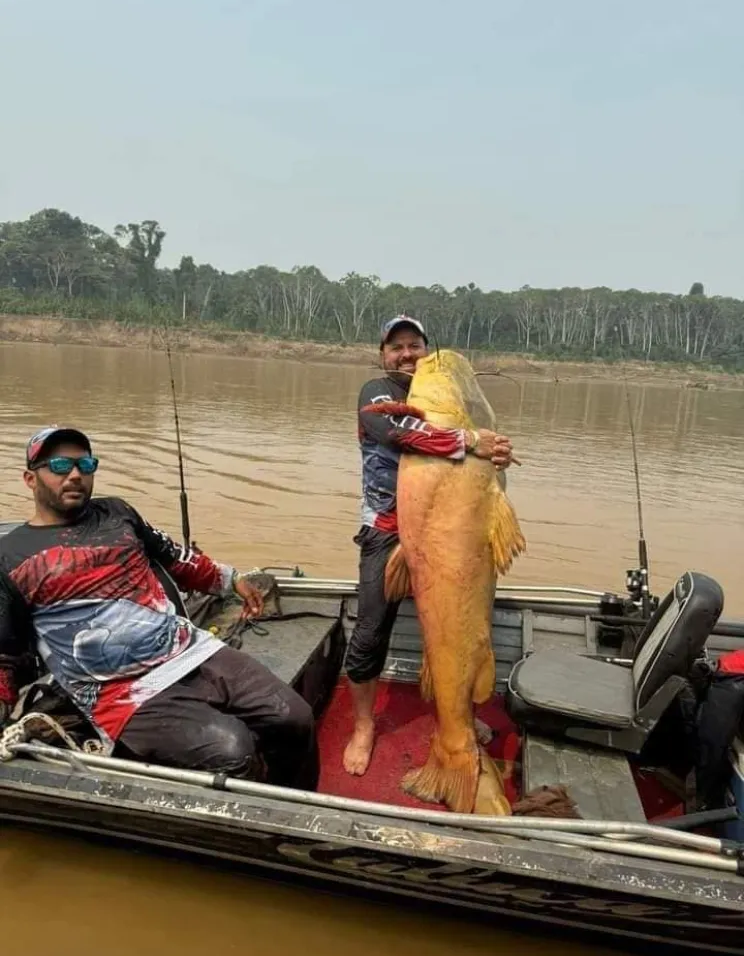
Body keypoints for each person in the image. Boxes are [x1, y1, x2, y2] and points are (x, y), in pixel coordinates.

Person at [0, 426, 318, 790]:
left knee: (295, 717)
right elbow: (5, 657)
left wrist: (230, 580)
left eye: (85, 464)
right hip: (119, 693)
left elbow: (177, 559)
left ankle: (298, 806)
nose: (75, 474)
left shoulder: (117, 513)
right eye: (58, 465)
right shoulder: (9, 557)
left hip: (190, 651)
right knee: (234, 750)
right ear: (29, 478)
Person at [343, 316, 516, 775]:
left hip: (448, 533)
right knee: (370, 630)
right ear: (383, 355)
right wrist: (469, 440)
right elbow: (398, 434)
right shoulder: (376, 394)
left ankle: (460, 719)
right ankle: (363, 726)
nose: (406, 354)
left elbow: (484, 461)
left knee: (464, 628)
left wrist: (495, 451)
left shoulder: (452, 401)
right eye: (396, 346)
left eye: (414, 345)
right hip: (388, 530)